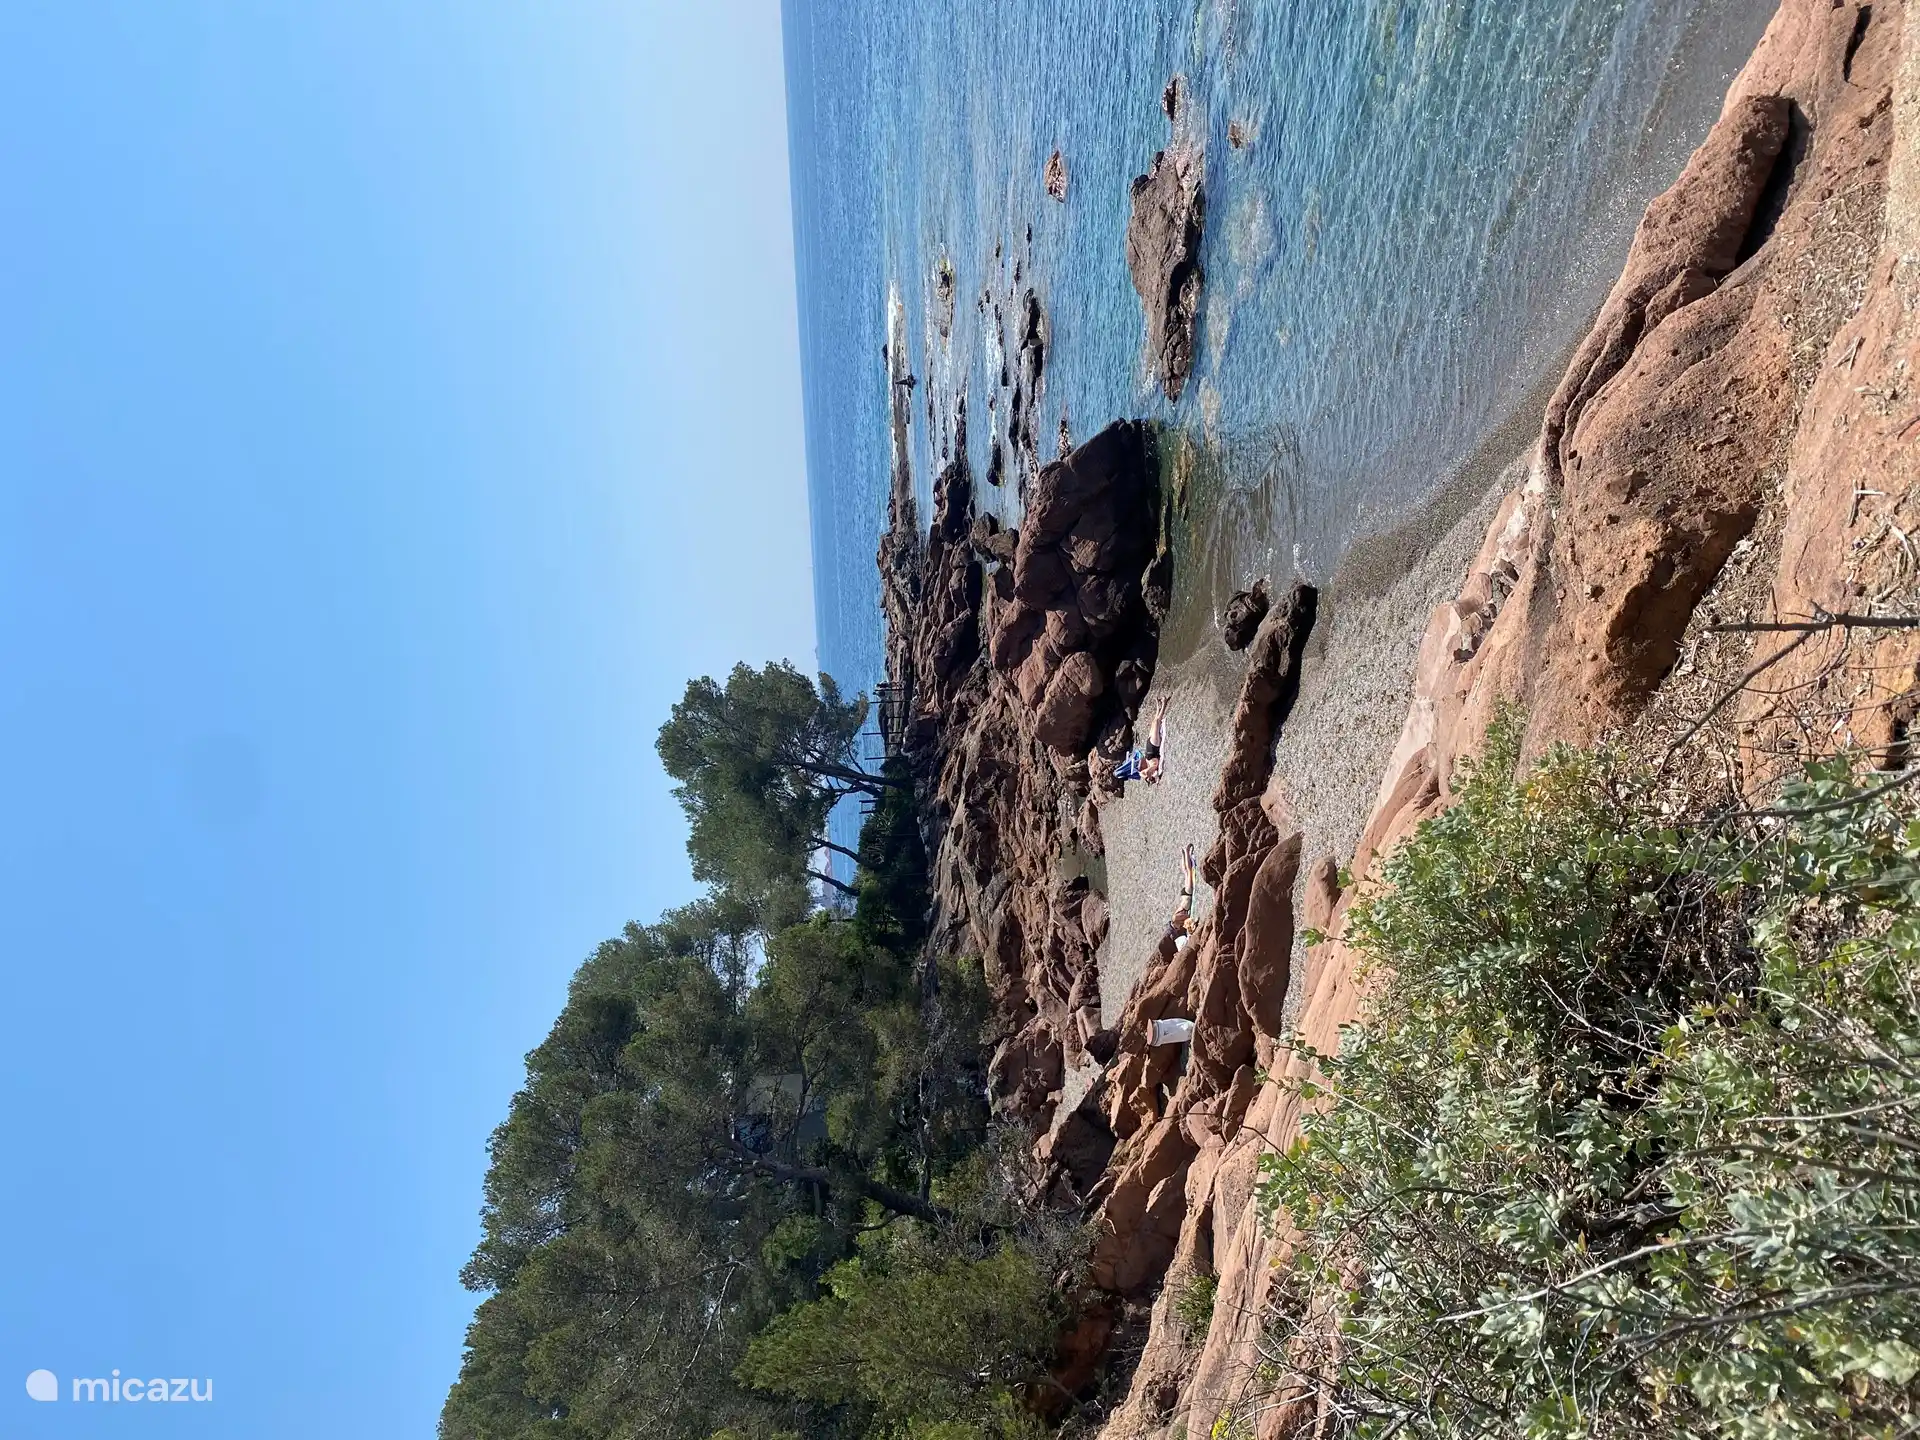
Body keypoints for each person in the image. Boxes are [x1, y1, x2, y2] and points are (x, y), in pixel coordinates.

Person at [1112, 695, 1170, 785]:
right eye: (1141, 767)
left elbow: (1142, 773)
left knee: (1154, 723)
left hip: (1149, 744)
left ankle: (1158, 706)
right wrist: (1150, 776)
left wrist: (1147, 776)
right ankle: (1164, 703)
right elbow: (1146, 773)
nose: (1140, 767)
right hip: (1154, 745)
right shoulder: (1153, 766)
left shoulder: (1146, 768)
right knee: (1157, 722)